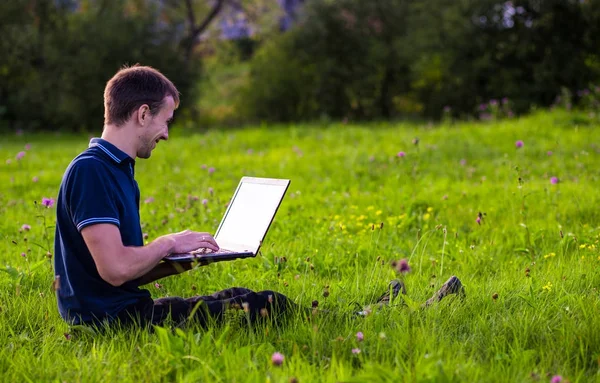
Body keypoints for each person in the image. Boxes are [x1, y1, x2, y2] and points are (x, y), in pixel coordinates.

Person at [53, 65, 464, 329]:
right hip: (114, 322)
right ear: (142, 114)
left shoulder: (117, 170)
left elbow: (124, 273)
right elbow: (114, 270)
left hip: (121, 311)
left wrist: (185, 262)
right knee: (264, 305)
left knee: (239, 298)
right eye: (165, 120)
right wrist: (167, 243)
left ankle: (369, 313)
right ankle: (372, 319)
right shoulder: (92, 171)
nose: (166, 133)